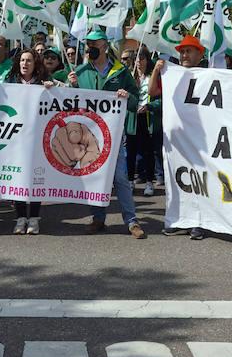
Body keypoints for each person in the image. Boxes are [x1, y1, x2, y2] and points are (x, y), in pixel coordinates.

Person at [70, 29, 143, 238]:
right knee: (95, 176)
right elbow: (69, 102)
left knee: (120, 177)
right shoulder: (81, 72)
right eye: (87, 44)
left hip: (114, 135)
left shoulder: (120, 72)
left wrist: (127, 96)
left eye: (93, 44)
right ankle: (98, 218)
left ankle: (131, 221)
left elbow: (135, 102)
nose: (89, 48)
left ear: (103, 46)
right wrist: (71, 86)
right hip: (89, 137)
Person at [152, 36, 208, 239]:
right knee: (176, 180)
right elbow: (153, 91)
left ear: (200, 54)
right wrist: (156, 71)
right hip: (176, 140)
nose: (184, 55)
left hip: (200, 140)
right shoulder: (172, 74)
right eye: (182, 51)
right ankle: (178, 220)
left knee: (199, 181)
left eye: (189, 51)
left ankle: (199, 223)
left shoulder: (209, 75)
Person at [5, 48, 54, 235]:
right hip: (15, 138)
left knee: (35, 178)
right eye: (22, 60)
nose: (25, 64)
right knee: (18, 178)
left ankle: (33, 218)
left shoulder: (44, 84)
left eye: (29, 61)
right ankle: (20, 218)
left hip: (36, 139)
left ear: (36, 64)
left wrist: (52, 90)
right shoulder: (10, 82)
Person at [128, 49, 161, 196]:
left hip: (147, 118)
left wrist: (149, 106)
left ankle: (149, 182)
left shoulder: (153, 77)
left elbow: (161, 99)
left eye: (141, 59)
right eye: (136, 59)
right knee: (130, 151)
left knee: (148, 152)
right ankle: (129, 181)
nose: (138, 62)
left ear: (147, 60)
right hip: (132, 118)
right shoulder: (129, 76)